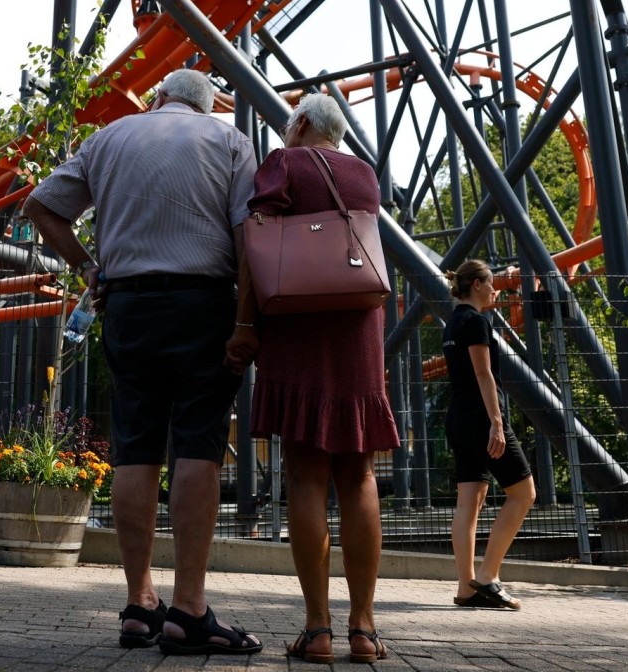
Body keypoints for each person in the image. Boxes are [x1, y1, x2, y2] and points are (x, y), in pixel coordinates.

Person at [23, 68, 262, 656]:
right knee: (198, 445)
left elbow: (43, 206)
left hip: (127, 303)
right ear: (207, 108)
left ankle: (139, 603)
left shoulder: (109, 137)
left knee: (136, 446)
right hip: (203, 303)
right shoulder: (229, 142)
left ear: (158, 99)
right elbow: (250, 235)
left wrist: (88, 267)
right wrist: (246, 321)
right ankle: (190, 609)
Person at [225, 92, 398, 664]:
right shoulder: (365, 174)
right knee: (359, 474)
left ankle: (318, 628)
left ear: (300, 123)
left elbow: (256, 243)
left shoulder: (283, 162)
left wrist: (246, 323)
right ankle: (366, 629)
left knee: (305, 476)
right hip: (358, 330)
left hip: (298, 326)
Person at [442, 259, 536, 610]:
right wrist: (497, 422)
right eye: (492, 283)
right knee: (524, 493)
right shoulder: (477, 321)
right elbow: (484, 375)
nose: (496, 288)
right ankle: (487, 576)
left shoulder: (451, 323)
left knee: (470, 501)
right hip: (481, 418)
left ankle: (466, 587)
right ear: (477, 285)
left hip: (457, 417)